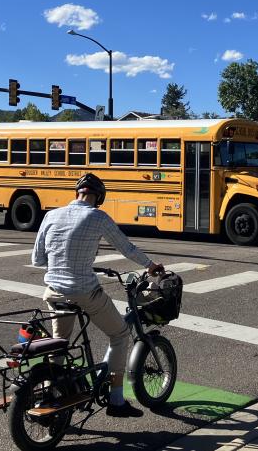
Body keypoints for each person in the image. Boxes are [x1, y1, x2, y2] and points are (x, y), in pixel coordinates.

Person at [31, 173, 164, 418]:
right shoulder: (98, 217)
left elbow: (37, 259)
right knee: (120, 334)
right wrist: (150, 265)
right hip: (84, 292)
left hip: (54, 292)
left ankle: (49, 394)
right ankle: (116, 400)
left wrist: (66, 261)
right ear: (99, 197)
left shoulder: (51, 215)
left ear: (76, 193)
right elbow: (127, 248)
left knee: (59, 344)